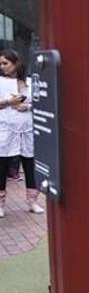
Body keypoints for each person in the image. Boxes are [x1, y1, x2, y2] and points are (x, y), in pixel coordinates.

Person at [0, 48, 43, 217]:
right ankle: (1, 204)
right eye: (1, 64)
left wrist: (27, 107)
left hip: (27, 128)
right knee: (2, 165)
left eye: (5, 63)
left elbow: (41, 102)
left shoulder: (31, 82)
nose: (2, 67)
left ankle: (33, 201)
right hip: (5, 127)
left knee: (30, 163)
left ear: (16, 63)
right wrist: (7, 102)